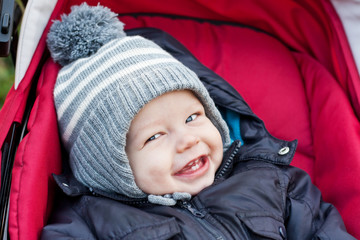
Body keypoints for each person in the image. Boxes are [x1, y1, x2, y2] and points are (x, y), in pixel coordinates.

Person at [41, 3, 355, 239]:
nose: (189, 139)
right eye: (154, 136)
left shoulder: (270, 180)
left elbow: (321, 230)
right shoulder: (90, 222)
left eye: (193, 117)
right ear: (108, 166)